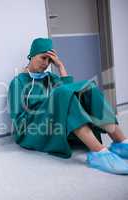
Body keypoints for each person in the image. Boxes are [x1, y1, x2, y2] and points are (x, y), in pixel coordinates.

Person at [8, 37, 128, 175]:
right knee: (62, 93)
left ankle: (121, 143)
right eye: (43, 58)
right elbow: (18, 118)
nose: (46, 64)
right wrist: (46, 112)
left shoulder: (50, 78)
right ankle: (100, 154)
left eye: (49, 60)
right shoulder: (18, 82)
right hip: (32, 130)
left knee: (88, 89)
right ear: (32, 56)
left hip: (54, 122)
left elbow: (71, 93)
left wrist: (60, 67)